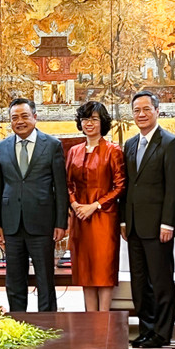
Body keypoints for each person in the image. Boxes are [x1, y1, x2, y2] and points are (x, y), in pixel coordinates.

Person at [0, 97, 68, 312]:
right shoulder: (3, 147)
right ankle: (18, 324)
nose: (20, 121)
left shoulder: (52, 145)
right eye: (14, 118)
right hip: (11, 224)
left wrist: (61, 223)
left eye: (25, 116)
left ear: (35, 116)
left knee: (45, 280)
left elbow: (60, 188)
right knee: (14, 281)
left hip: (42, 224)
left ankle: (47, 326)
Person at [120, 91, 175, 348]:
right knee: (139, 283)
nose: (141, 114)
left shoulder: (170, 143)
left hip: (159, 227)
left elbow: (174, 188)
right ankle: (146, 328)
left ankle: (162, 332)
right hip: (133, 226)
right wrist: (124, 221)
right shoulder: (130, 144)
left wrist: (168, 223)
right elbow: (126, 187)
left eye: (146, 109)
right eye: (137, 110)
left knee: (161, 282)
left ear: (158, 111)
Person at [66, 101, 126, 311]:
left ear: (103, 122)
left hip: (104, 217)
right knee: (85, 271)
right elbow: (68, 183)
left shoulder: (113, 150)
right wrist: (74, 204)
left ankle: (104, 323)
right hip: (79, 218)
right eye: (85, 119)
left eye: (94, 119)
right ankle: (90, 324)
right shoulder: (74, 150)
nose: (88, 124)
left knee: (103, 270)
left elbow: (120, 186)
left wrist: (95, 205)